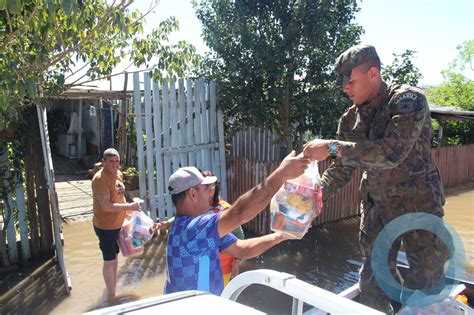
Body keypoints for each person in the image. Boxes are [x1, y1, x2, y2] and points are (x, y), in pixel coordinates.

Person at [303, 45, 449, 313]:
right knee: (373, 279)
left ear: (373, 72)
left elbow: (391, 152)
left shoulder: (407, 101)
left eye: (351, 82)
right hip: (377, 208)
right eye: (342, 84)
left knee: (427, 275)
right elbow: (342, 170)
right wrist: (314, 198)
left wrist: (333, 147)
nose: (346, 89)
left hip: (419, 204)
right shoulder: (349, 120)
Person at [164, 152, 309, 296]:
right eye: (205, 189)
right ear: (193, 194)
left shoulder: (196, 230)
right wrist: (281, 174)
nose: (209, 193)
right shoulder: (192, 230)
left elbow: (241, 249)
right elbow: (240, 213)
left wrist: (280, 236)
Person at [92, 148, 142, 304]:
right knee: (109, 260)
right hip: (105, 226)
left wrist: (127, 211)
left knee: (114, 257)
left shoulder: (118, 174)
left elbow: (118, 197)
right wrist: (129, 207)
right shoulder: (100, 179)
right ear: (103, 162)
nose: (114, 164)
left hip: (118, 224)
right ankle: (112, 296)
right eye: (111, 161)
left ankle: (111, 287)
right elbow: (106, 206)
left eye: (117, 161)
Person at [201, 170, 245, 286]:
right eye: (206, 185)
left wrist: (236, 262)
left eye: (212, 184)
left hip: (222, 267)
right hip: (201, 266)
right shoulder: (197, 207)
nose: (210, 188)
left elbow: (239, 236)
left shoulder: (224, 209)